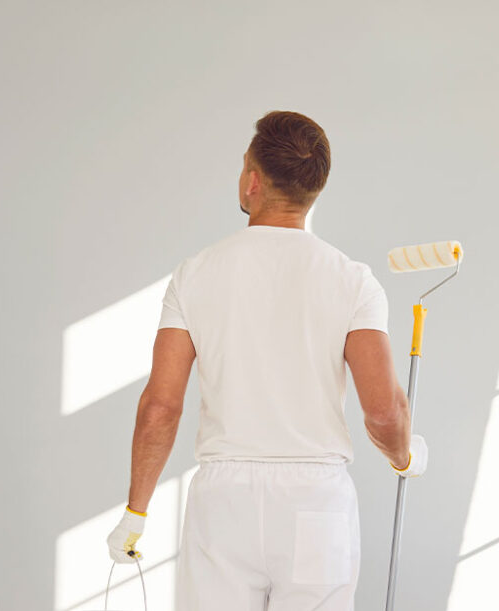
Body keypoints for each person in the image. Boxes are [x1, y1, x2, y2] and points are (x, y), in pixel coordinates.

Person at [105, 110, 428, 610]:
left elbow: (160, 408)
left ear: (252, 182)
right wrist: (404, 457)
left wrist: (137, 511)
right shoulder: (352, 280)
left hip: (224, 502)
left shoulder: (195, 274)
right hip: (315, 501)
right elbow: (385, 412)